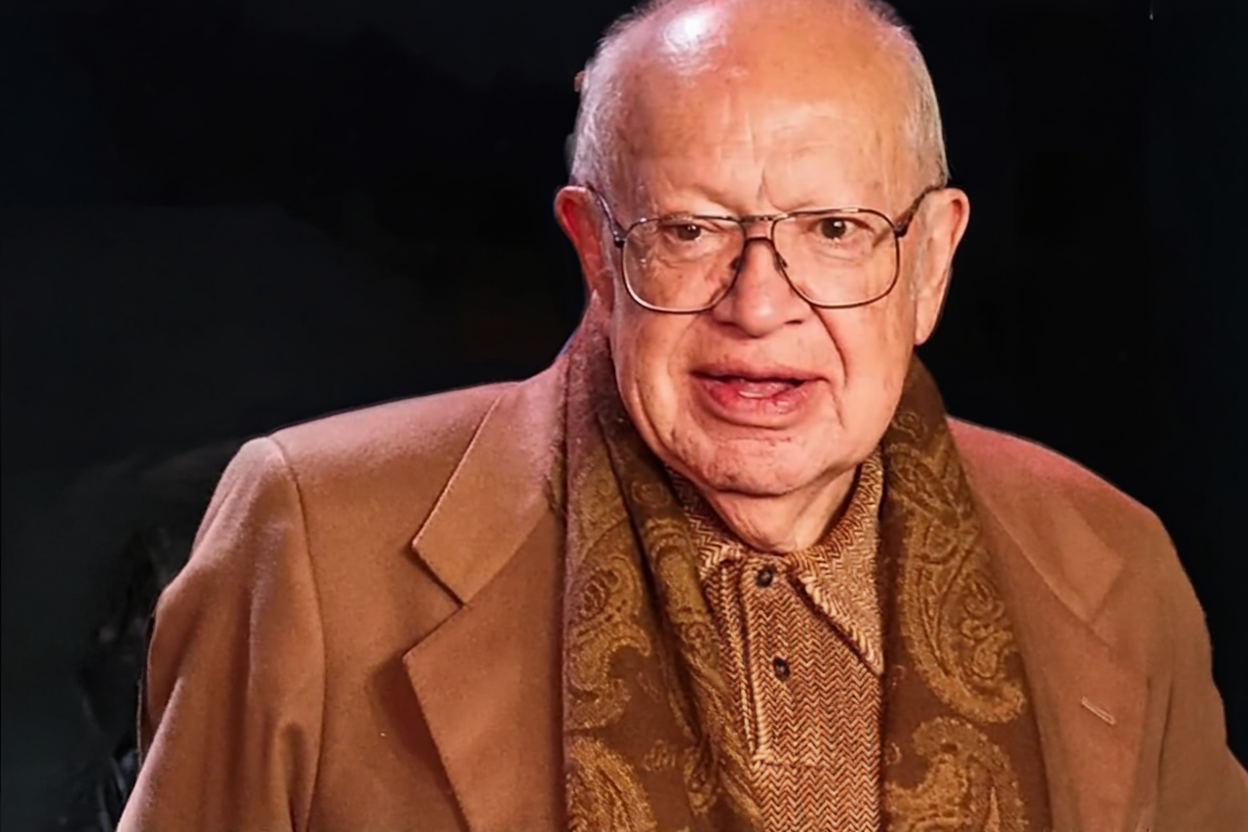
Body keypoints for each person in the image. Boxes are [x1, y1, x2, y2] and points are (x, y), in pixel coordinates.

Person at [118, 0, 1248, 830]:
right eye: (690, 231)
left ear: (932, 261)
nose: (759, 305)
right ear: (594, 253)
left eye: (835, 231)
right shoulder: (316, 541)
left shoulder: (1112, 559)